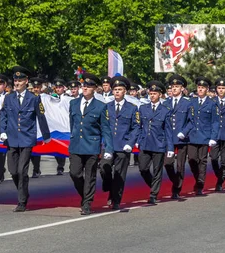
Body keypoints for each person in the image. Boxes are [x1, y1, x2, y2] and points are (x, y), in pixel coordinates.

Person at [0, 66, 51, 212]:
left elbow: (41, 116)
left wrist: (46, 136)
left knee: (22, 170)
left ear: (26, 81)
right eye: (15, 80)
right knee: (13, 171)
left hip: (27, 138)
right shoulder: (8, 98)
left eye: (20, 80)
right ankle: (24, 191)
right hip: (12, 139)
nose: (16, 83)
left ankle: (22, 201)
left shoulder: (34, 98)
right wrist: (2, 131)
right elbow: (3, 115)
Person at [69, 73, 113, 215]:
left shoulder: (100, 106)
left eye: (89, 86)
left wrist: (108, 148)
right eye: (84, 86)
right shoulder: (73, 103)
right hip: (76, 144)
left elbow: (105, 129)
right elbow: (73, 124)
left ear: (95, 88)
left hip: (92, 146)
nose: (85, 88)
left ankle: (87, 203)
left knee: (90, 176)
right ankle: (85, 195)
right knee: (74, 173)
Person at [100, 76, 140, 210]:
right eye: (115, 89)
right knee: (104, 168)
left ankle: (116, 199)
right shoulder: (106, 107)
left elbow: (136, 127)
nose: (117, 92)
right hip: (108, 145)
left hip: (123, 146)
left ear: (125, 92)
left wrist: (130, 143)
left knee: (119, 174)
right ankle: (108, 186)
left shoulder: (132, 108)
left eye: (120, 89)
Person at [137, 81, 173, 204]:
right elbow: (139, 126)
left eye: (155, 93)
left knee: (157, 170)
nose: (152, 96)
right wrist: (138, 140)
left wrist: (170, 148)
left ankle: (153, 194)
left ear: (160, 95)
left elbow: (168, 130)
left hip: (159, 143)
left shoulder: (165, 110)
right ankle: (153, 184)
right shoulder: (143, 108)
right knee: (143, 168)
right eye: (150, 93)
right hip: (145, 143)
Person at [163, 74, 192, 199]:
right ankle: (176, 181)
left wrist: (184, 132)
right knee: (168, 163)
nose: (174, 88)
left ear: (182, 88)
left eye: (177, 86)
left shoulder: (187, 102)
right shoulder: (166, 102)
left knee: (180, 165)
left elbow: (191, 121)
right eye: (172, 86)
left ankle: (176, 190)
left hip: (181, 138)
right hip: (169, 137)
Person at [187, 77, 217, 195]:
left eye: (202, 88)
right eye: (199, 87)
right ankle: (197, 177)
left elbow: (214, 122)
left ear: (207, 89)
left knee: (202, 160)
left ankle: (200, 183)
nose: (200, 90)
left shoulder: (212, 104)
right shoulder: (192, 102)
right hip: (193, 135)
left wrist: (213, 137)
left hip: (205, 136)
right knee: (192, 159)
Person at [29, 77, 45, 178]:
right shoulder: (30, 97)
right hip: (32, 125)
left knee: (37, 149)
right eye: (34, 87)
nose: (36, 89)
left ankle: (36, 169)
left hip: (41, 125)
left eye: (37, 87)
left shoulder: (46, 98)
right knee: (30, 149)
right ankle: (36, 167)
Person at [52, 78, 68, 175]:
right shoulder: (52, 98)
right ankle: (60, 164)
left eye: (60, 87)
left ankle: (62, 165)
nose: (58, 89)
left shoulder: (68, 98)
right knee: (57, 145)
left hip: (66, 125)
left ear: (64, 88)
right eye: (57, 87)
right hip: (56, 124)